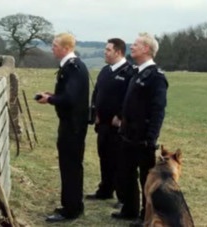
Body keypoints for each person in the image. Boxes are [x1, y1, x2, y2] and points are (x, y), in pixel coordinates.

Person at [111, 33, 169, 226]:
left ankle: (147, 216)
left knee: (146, 179)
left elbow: (158, 110)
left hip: (142, 138)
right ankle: (129, 209)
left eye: (135, 44)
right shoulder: (136, 73)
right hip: (127, 134)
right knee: (125, 173)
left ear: (146, 49)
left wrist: (151, 138)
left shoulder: (156, 77)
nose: (132, 47)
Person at [36, 33, 90, 223]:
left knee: (71, 167)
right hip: (70, 124)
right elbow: (67, 94)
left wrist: (50, 99)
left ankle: (71, 209)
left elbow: (70, 99)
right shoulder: (70, 66)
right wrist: (53, 95)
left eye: (55, 45)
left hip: (73, 126)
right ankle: (72, 204)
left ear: (66, 48)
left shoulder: (73, 67)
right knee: (69, 166)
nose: (52, 48)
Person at [86, 38, 132, 209]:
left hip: (118, 126)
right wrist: (95, 112)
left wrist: (120, 116)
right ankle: (105, 190)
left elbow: (130, 98)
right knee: (104, 157)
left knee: (119, 161)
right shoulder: (105, 71)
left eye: (108, 50)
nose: (104, 52)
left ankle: (123, 198)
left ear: (118, 52)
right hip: (102, 124)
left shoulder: (129, 72)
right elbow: (97, 92)